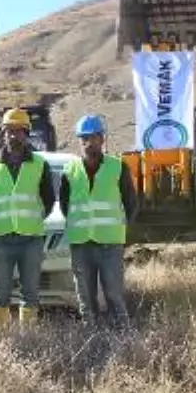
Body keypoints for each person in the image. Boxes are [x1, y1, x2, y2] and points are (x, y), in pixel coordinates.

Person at [0, 108, 55, 340]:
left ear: (27, 134)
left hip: (30, 239)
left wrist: (33, 219)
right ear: (2, 134)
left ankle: (27, 342)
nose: (13, 136)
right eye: (9, 131)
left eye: (19, 131)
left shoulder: (40, 164)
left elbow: (48, 200)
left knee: (30, 294)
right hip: (1, 239)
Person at [59, 114, 137, 328]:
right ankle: (91, 337)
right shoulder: (69, 171)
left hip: (109, 244)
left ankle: (122, 337)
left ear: (102, 139)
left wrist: (121, 232)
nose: (88, 143)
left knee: (114, 294)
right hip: (81, 244)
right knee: (85, 297)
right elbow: (65, 205)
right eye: (84, 138)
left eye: (93, 137)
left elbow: (131, 203)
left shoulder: (118, 167)